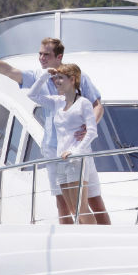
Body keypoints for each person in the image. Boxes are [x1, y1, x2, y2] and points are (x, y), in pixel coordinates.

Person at [0, 38, 111, 225]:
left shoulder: (77, 77)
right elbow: (10, 71)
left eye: (46, 55)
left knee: (93, 200)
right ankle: (70, 244)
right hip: (53, 150)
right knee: (63, 204)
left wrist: (88, 126)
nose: (41, 58)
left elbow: (97, 105)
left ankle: (105, 238)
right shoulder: (41, 77)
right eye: (40, 54)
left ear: (58, 56)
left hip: (78, 149)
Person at [27, 64, 97, 224]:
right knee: (72, 208)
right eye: (56, 78)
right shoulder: (57, 102)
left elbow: (92, 131)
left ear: (72, 80)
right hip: (61, 160)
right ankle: (80, 239)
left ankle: (95, 239)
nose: (56, 81)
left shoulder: (83, 103)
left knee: (81, 207)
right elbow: (32, 94)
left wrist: (76, 151)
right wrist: (45, 75)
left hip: (76, 160)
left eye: (60, 78)